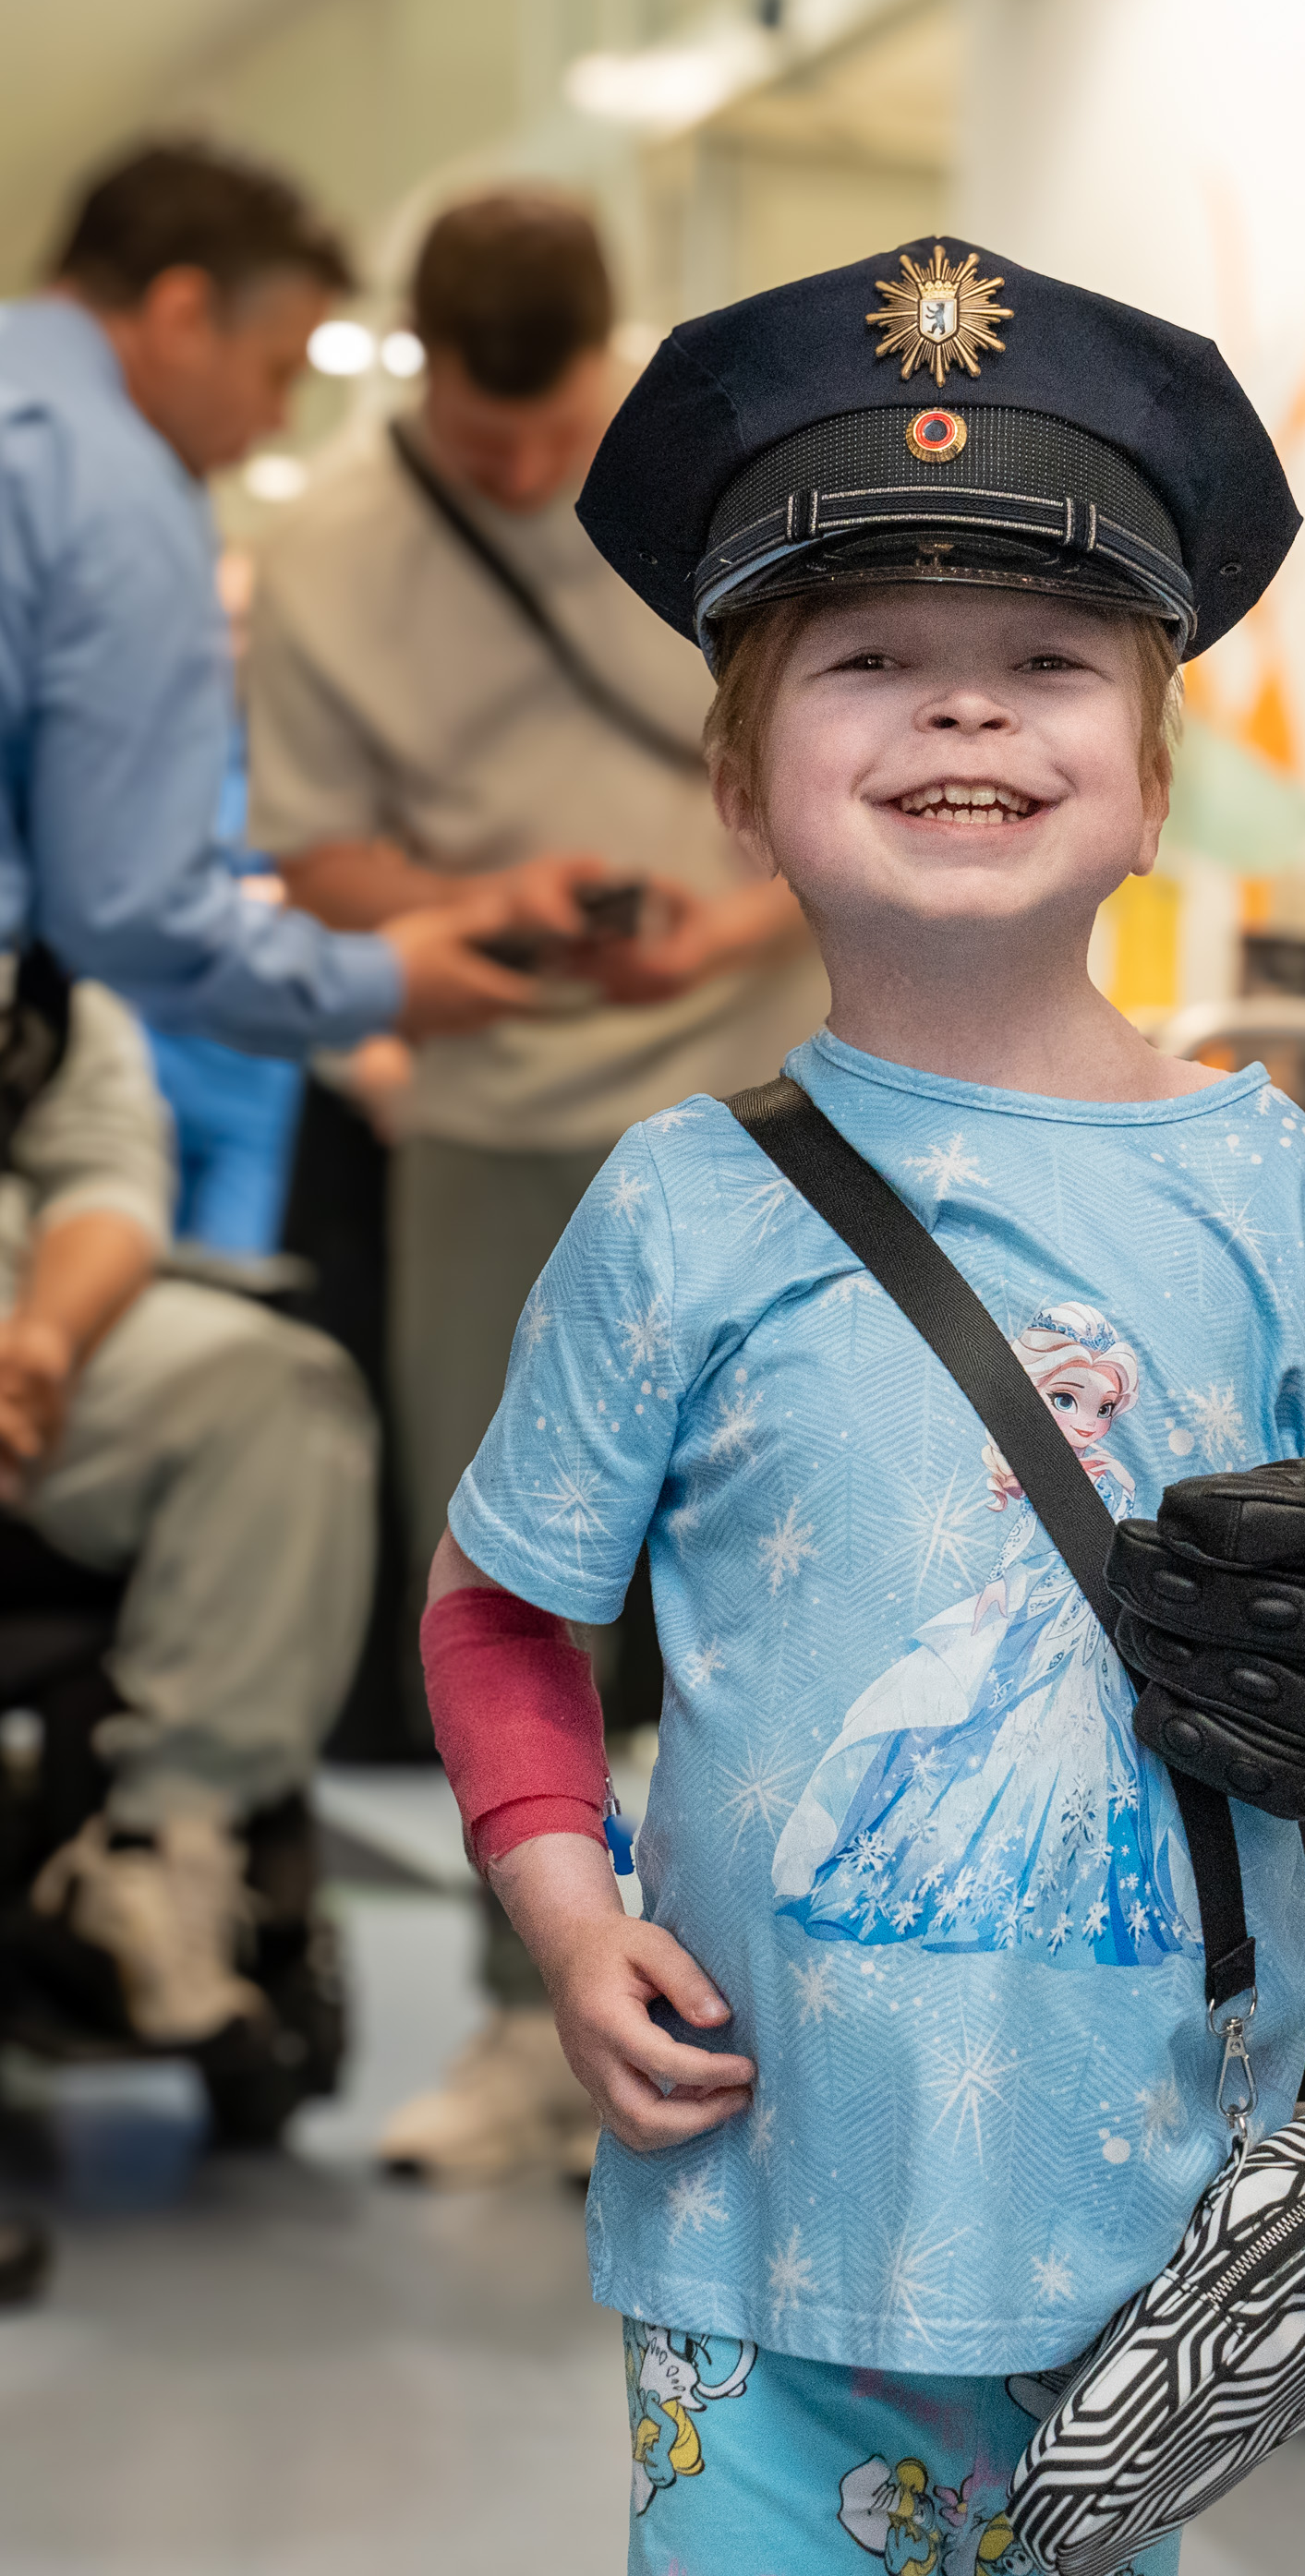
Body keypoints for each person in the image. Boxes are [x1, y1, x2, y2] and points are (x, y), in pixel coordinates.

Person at [413, 241, 1305, 2570]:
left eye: (1048, 665)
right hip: (758, 2204)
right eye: (870, 661)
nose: (963, 718)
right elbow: (501, 1607)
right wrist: (569, 1923)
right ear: (737, 768)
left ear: (1148, 770)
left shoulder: (1266, 1187)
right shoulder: (675, 1209)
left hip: (1150, 2233)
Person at [244, 190, 827, 2177]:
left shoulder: (729, 472)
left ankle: (791, 2018)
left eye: (551, 431)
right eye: (483, 444)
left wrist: (731, 931)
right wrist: (480, 906)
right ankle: (526, 2025)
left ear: (614, 355)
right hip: (494, 1111)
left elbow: (860, 755)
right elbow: (315, 857)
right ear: (416, 365)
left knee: (790, 1561)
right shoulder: (328, 548)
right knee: (509, 1582)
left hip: (774, 1092)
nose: (517, 476)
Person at [0, 138, 542, 1054]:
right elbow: (130, 907)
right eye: (277, 371)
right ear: (180, 314)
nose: (280, 421)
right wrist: (380, 979)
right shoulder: (115, 488)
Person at [3, 957, 373, 2045]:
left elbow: (107, 1176)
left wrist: (42, 1350)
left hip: (34, 1313)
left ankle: (160, 1850)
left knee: (277, 1383)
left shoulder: (38, 958)